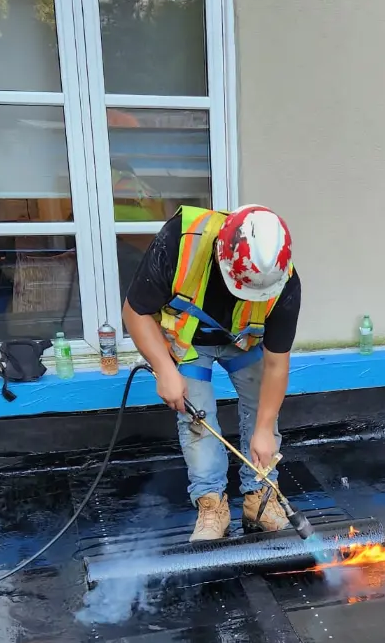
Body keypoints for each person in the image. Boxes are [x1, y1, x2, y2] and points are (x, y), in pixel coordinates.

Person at [122, 204, 301, 542]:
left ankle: (260, 499)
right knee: (196, 419)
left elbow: (277, 364)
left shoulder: (283, 280)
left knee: (264, 412)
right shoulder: (179, 241)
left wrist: (263, 429)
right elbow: (135, 312)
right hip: (188, 341)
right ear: (222, 254)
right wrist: (164, 368)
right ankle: (211, 503)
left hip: (244, 341)